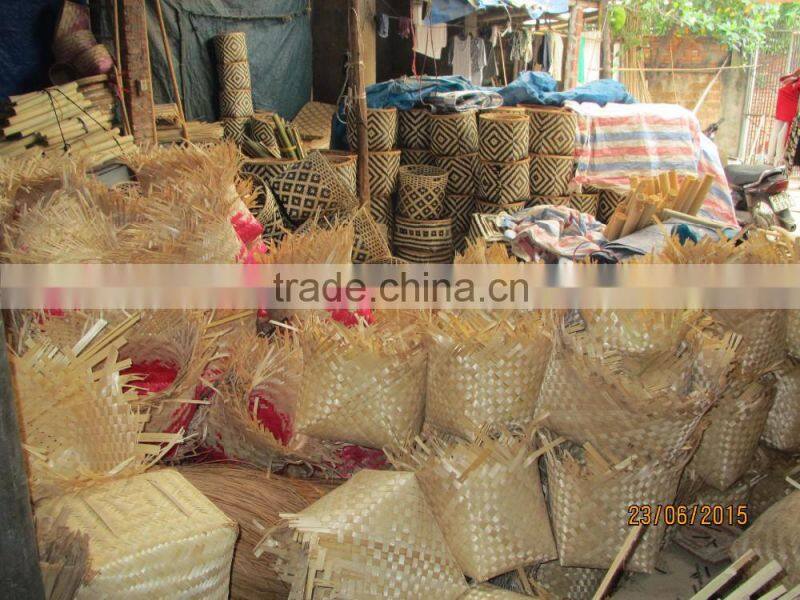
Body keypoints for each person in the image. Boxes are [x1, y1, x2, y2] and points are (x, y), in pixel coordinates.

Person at [766, 67, 800, 165]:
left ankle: (771, 159)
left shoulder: (792, 81)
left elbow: (782, 79)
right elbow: (783, 79)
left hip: (783, 109)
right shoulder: (795, 81)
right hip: (789, 111)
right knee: (782, 135)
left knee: (777, 133)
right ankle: (778, 160)